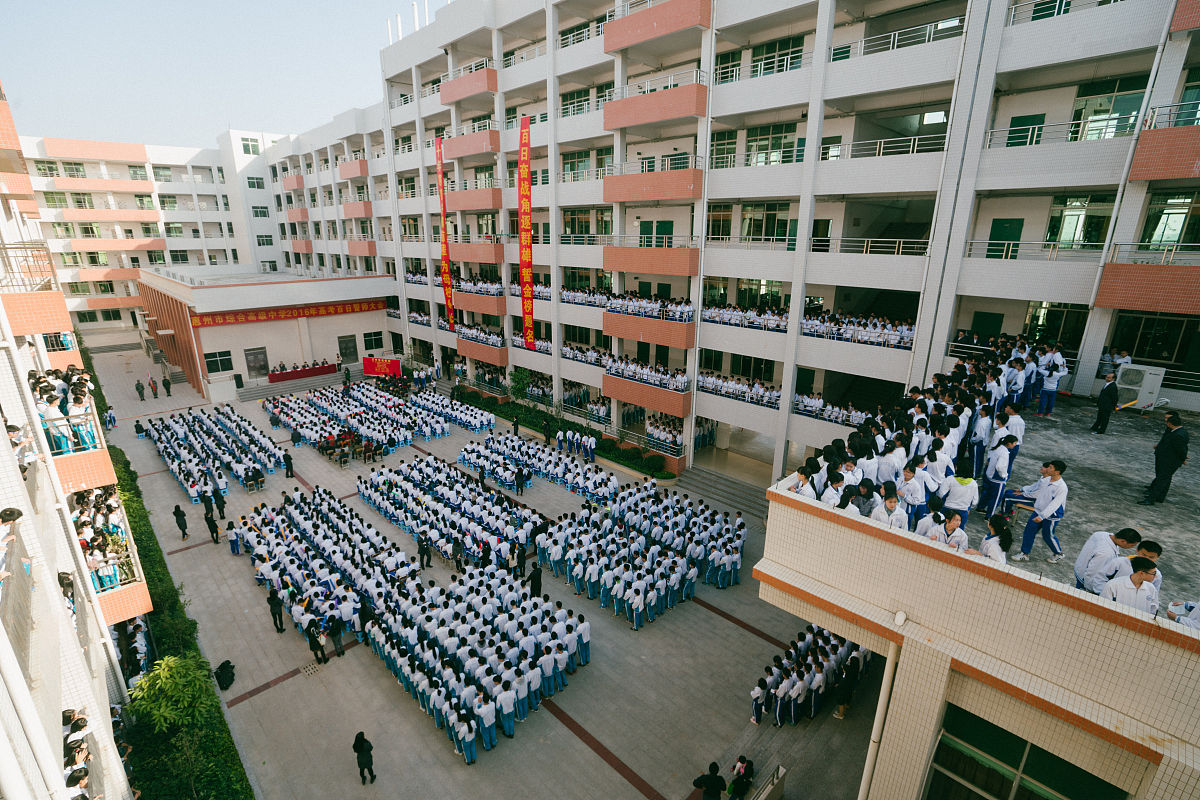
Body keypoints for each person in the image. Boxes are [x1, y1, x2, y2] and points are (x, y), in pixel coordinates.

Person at [1011, 459, 1067, 563]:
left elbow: (1054, 505)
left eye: (1050, 467)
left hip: (1051, 515)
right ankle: (1025, 553)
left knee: (1047, 536)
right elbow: (1036, 490)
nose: (1047, 469)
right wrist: (1023, 490)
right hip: (1039, 511)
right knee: (1029, 531)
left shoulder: (1062, 488)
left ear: (1057, 472)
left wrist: (1042, 516)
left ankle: (1058, 553)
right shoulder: (1046, 480)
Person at [1140, 412, 1188, 505]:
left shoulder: (1177, 435)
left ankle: (1151, 499)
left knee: (1161, 480)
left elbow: (1181, 450)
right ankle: (1159, 497)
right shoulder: (1181, 432)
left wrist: (1183, 459)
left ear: (1170, 423)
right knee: (1164, 479)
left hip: (1169, 461)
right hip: (1168, 459)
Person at [1073, 528, 1140, 593]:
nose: (1132, 547)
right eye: (1132, 545)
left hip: (1080, 567)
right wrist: (1092, 590)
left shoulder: (1101, 534)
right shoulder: (1106, 554)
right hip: (1085, 582)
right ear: (1123, 541)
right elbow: (1092, 574)